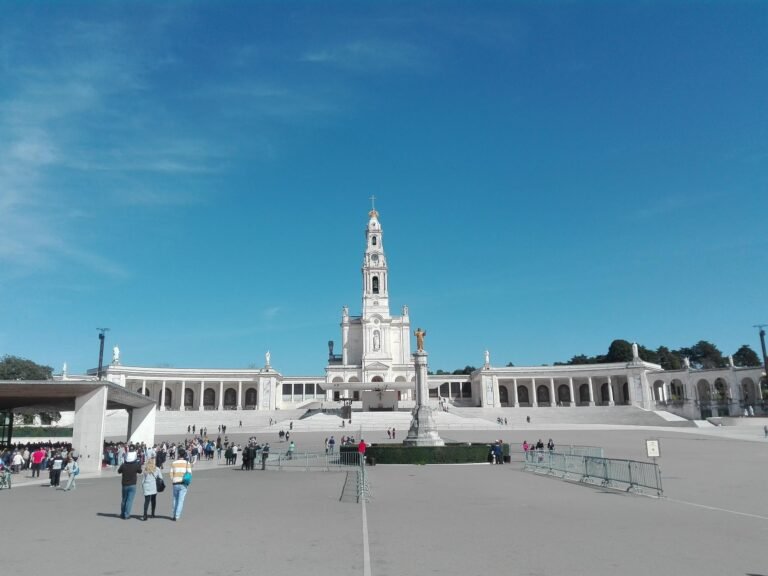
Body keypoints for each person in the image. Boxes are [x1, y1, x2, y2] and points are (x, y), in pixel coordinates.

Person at [117, 447, 141, 519]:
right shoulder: (136, 465)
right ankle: (126, 514)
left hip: (124, 484)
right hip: (132, 484)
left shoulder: (124, 465)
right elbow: (140, 471)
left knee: (124, 499)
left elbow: (119, 471)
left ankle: (122, 513)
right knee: (129, 500)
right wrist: (138, 463)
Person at [170, 449, 192, 521]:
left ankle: (173, 514)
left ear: (178, 454)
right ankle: (177, 516)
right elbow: (189, 473)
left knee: (175, 499)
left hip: (175, 483)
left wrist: (173, 479)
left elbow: (171, 474)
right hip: (183, 483)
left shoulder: (174, 463)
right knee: (180, 500)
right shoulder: (187, 463)